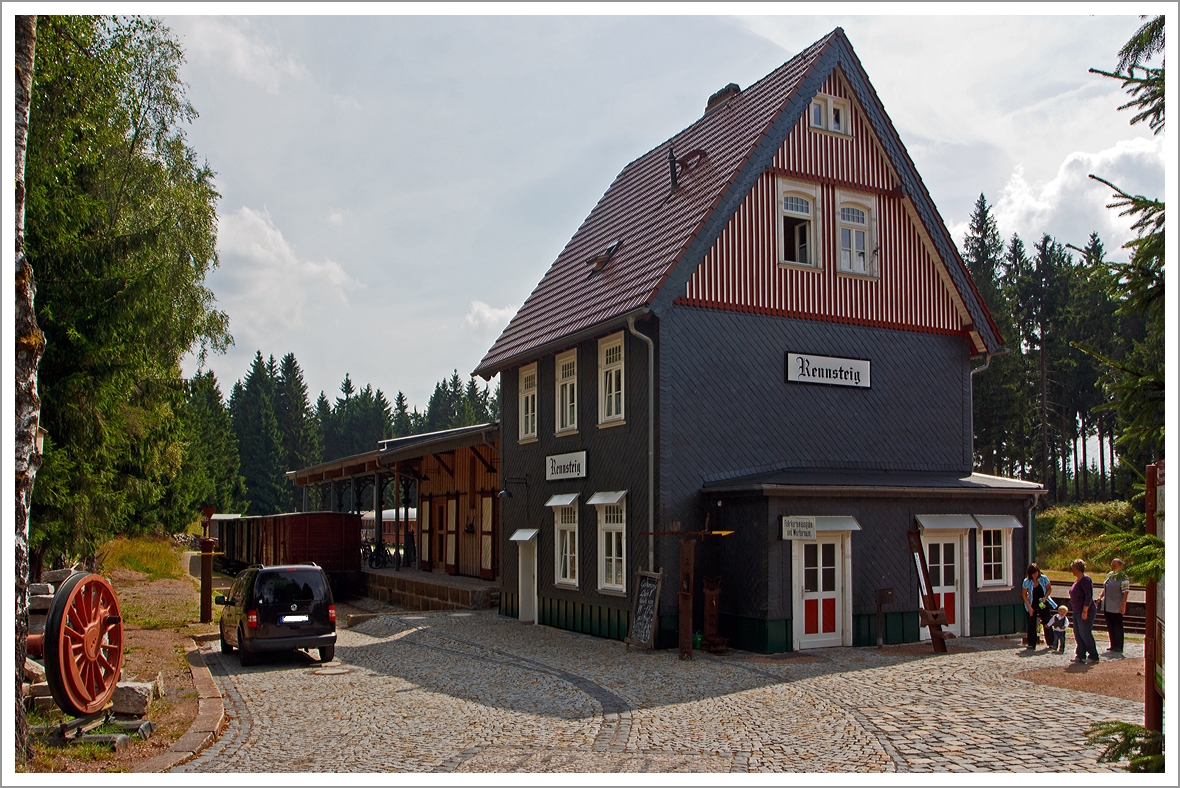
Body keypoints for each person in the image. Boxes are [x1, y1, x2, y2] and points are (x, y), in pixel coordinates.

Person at [1068, 558, 1100, 664]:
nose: (1072, 570)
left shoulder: (1086, 579)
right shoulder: (1077, 580)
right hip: (1076, 610)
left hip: (1085, 611)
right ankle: (1080, 654)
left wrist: (1085, 610)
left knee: (1085, 633)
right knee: (1078, 633)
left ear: (1077, 568)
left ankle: (1093, 655)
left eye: (1073, 568)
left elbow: (1088, 596)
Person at [1098, 558, 1130, 653]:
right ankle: (1113, 645)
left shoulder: (1123, 577)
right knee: (1110, 625)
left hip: (1116, 604)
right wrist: (1100, 596)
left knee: (1117, 625)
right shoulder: (1110, 574)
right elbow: (1105, 587)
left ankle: (1119, 646)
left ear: (1120, 566)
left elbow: (1125, 592)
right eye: (1112, 565)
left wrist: (1123, 604)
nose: (1113, 567)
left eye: (1115, 565)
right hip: (1107, 604)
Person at [1021, 563, 1054, 650]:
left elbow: (1049, 589)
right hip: (1032, 602)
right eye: (1033, 574)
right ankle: (1031, 643)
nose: (1035, 575)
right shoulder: (1027, 581)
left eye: (1036, 573)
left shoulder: (1043, 578)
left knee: (1046, 620)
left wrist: (1045, 597)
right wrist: (1029, 607)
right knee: (1031, 622)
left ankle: (1051, 642)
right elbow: (1024, 595)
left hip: (1042, 601)